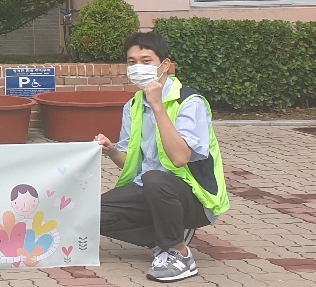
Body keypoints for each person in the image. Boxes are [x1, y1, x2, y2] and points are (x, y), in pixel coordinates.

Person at [96, 31, 228, 283]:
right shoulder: (133, 105)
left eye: (146, 61)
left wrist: (157, 105)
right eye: (132, 62)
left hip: (194, 197)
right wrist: (111, 150)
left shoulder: (189, 102)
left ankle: (179, 252)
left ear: (165, 65)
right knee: (89, 214)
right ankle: (165, 234)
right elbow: (131, 164)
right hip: (151, 190)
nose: (138, 67)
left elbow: (179, 158)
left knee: (155, 179)